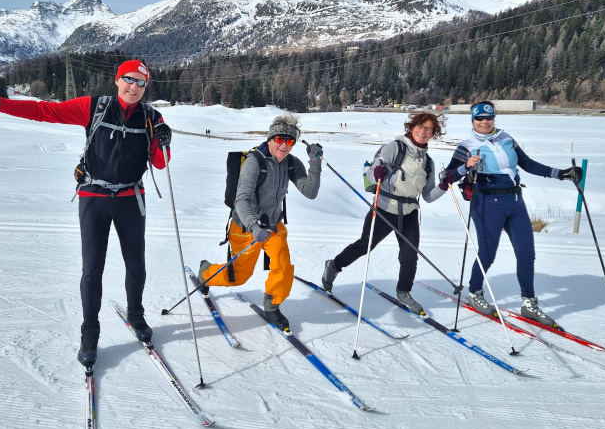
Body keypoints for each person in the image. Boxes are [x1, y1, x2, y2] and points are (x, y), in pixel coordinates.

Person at [0, 60, 173, 367]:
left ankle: (136, 316)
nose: (134, 87)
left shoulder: (153, 117)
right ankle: (90, 328)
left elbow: (161, 163)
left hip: (130, 198)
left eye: (142, 83)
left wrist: (162, 139)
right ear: (118, 80)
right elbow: (45, 111)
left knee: (136, 265)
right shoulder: (94, 107)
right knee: (92, 267)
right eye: (129, 79)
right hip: (94, 197)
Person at [442, 100, 582, 327]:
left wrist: (561, 174)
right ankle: (475, 293)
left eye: (489, 118)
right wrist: (466, 166)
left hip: (515, 201)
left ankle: (529, 304)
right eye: (480, 119)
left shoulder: (507, 138)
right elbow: (447, 177)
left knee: (527, 254)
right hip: (487, 202)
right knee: (487, 254)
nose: (485, 122)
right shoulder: (466, 146)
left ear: (494, 118)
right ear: (473, 120)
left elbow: (528, 164)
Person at [198, 114, 322, 331]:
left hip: (273, 225)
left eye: (290, 141)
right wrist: (254, 226)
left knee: (283, 264)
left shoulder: (292, 163)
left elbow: (310, 192)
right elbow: (241, 200)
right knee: (238, 278)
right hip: (246, 227)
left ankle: (272, 306)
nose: (284, 146)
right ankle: (206, 273)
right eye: (280, 140)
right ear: (271, 139)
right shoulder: (255, 162)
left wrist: (315, 163)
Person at [322, 112, 448, 316]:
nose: (424, 132)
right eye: (421, 126)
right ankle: (334, 265)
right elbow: (373, 172)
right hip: (384, 208)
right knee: (366, 245)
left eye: (429, 129)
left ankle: (404, 292)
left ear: (433, 134)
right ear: (412, 126)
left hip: (409, 212)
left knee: (409, 255)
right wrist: (377, 173)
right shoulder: (394, 148)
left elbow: (428, 196)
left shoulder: (428, 162)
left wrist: (444, 185)